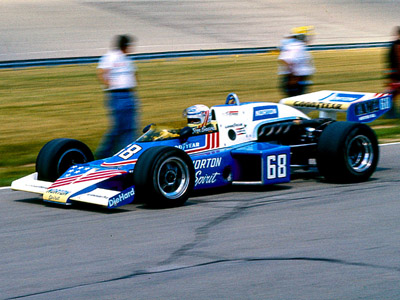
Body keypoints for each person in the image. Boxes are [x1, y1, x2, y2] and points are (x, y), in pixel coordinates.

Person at [96, 34, 140, 158]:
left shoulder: (127, 59)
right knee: (118, 128)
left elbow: (134, 73)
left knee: (131, 128)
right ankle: (103, 154)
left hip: (129, 95)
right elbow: (101, 72)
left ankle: (129, 156)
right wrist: (110, 85)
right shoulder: (111, 57)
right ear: (125, 46)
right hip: (117, 95)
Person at [278, 26, 315, 97]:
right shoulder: (297, 47)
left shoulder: (295, 46)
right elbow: (286, 60)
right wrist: (293, 77)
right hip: (296, 80)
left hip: (298, 78)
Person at [385, 26, 400, 118]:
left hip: (395, 74)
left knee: (391, 94)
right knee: (391, 94)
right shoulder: (394, 46)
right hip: (395, 75)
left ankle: (390, 113)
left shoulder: (394, 46)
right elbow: (391, 62)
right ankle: (390, 113)